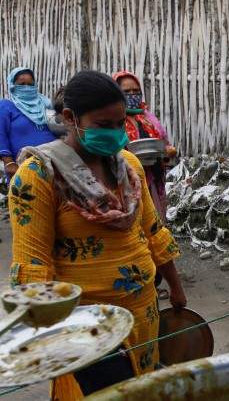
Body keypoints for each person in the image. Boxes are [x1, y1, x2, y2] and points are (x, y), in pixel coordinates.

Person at [8, 70, 187, 398]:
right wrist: (45, 338)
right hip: (86, 326)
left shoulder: (128, 166)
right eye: (103, 126)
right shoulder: (38, 178)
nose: (116, 134)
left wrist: (175, 286)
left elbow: (152, 230)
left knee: (144, 389)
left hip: (142, 313)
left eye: (120, 124)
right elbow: (33, 267)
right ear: (69, 118)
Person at [112, 70, 177, 223]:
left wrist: (167, 152)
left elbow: (163, 145)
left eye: (136, 91)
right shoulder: (112, 119)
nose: (132, 95)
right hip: (125, 182)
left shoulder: (148, 118)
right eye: (126, 91)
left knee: (154, 222)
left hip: (151, 179)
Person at [0, 67, 57, 179]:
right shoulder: (6, 106)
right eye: (22, 84)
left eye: (30, 85)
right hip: (23, 168)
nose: (26, 88)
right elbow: (1, 134)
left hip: (54, 162)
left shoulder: (44, 104)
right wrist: (9, 163)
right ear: (13, 85)